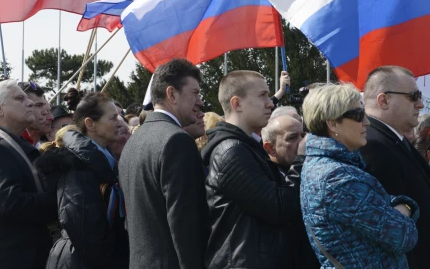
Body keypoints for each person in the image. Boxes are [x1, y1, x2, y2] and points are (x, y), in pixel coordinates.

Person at [301, 83, 419, 269]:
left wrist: (399, 206)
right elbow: (404, 236)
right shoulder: (336, 178)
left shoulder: (329, 167)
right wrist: (405, 207)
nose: (367, 122)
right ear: (332, 124)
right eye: (357, 115)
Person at [359, 65, 430, 269]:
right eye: (413, 96)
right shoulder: (373, 145)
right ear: (383, 100)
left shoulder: (393, 140)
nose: (420, 104)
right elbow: (394, 230)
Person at [202, 71, 298, 268]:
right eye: (262, 95)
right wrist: (302, 160)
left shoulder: (243, 146)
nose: (270, 103)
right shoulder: (231, 151)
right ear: (237, 104)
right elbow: (278, 208)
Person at [119, 58, 207, 269]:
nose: (201, 101)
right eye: (195, 93)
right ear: (172, 94)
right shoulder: (177, 140)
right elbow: (185, 225)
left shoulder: (133, 142)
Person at [0, 80, 56, 269]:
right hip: (7, 260)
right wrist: (56, 200)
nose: (30, 103)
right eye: (20, 98)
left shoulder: (9, 143)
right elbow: (7, 204)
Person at [38, 92, 129, 268]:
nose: (119, 121)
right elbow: (86, 232)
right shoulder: (76, 166)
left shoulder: (101, 160)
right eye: (112, 118)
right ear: (90, 124)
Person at [261, 115, 320, 269]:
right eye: (292, 137)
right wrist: (300, 159)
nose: (302, 142)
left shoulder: (315, 168)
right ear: (270, 148)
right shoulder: (267, 179)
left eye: (303, 135)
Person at [19, 81, 54, 146]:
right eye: (38, 105)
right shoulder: (12, 143)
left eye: (43, 105)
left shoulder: (37, 147)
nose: (45, 112)